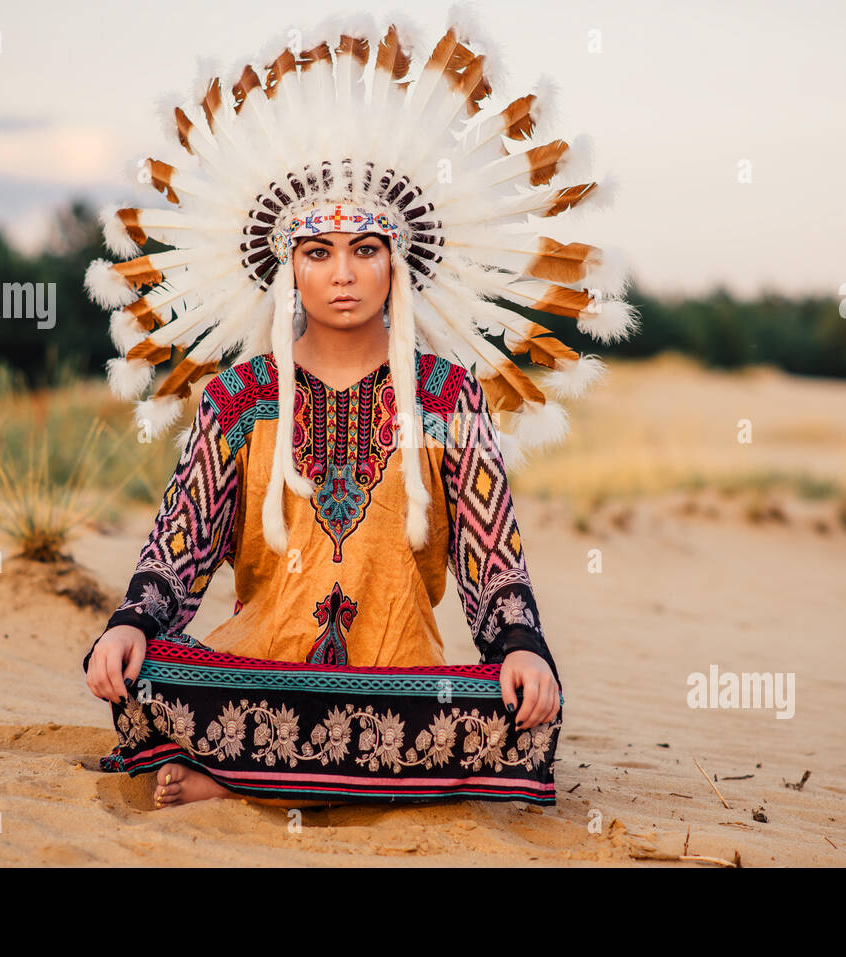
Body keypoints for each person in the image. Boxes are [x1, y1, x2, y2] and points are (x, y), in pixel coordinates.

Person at [79, 14, 636, 809]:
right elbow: (181, 545)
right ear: (288, 270)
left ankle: (239, 782)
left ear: (397, 261)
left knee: (526, 715)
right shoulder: (238, 398)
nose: (343, 273)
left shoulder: (449, 395)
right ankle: (323, 783)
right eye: (317, 253)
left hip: (400, 679)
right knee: (138, 675)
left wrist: (522, 646)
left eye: (366, 249)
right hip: (258, 671)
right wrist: (132, 621)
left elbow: (491, 561)